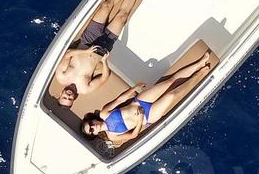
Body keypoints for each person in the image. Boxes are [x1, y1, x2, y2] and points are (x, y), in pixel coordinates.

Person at [53, 0, 154, 107]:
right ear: (74, 100)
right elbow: (105, 77)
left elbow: (67, 55)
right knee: (121, 17)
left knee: (106, 6)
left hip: (87, 41)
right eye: (69, 99)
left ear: (60, 94)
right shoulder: (85, 89)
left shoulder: (61, 76)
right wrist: (105, 62)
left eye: (64, 97)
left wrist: (86, 52)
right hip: (102, 50)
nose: (68, 95)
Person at [81, 49, 216, 147]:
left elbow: (120, 100)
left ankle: (199, 63)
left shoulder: (104, 113)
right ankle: (198, 75)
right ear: (94, 134)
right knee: (173, 94)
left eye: (91, 124)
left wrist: (134, 88)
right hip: (148, 116)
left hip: (139, 102)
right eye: (91, 130)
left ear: (92, 120)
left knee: (170, 82)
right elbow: (133, 135)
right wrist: (140, 120)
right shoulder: (113, 136)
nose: (94, 126)